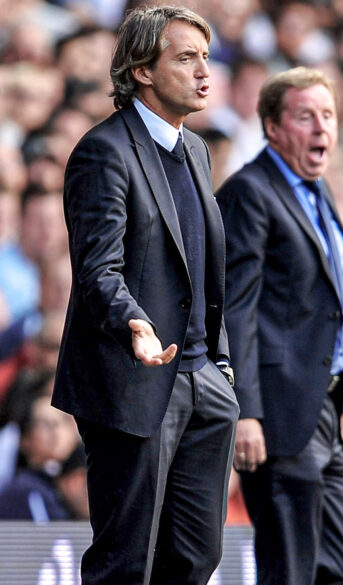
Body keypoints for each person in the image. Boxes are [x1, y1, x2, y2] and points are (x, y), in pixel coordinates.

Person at [51, 6, 239, 584]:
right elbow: (97, 268)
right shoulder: (103, 151)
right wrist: (134, 322)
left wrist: (222, 364)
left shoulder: (199, 150)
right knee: (124, 563)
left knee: (195, 558)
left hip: (203, 380)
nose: (204, 71)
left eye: (206, 58)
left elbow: (203, 271)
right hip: (134, 380)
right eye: (185, 58)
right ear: (142, 71)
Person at [217, 66, 343, 585]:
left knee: (335, 568)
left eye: (328, 115)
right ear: (273, 128)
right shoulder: (250, 193)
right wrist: (247, 411)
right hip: (279, 413)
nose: (322, 127)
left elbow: (330, 306)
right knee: (290, 570)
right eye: (306, 116)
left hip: (323, 408)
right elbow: (234, 310)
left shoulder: (317, 192)